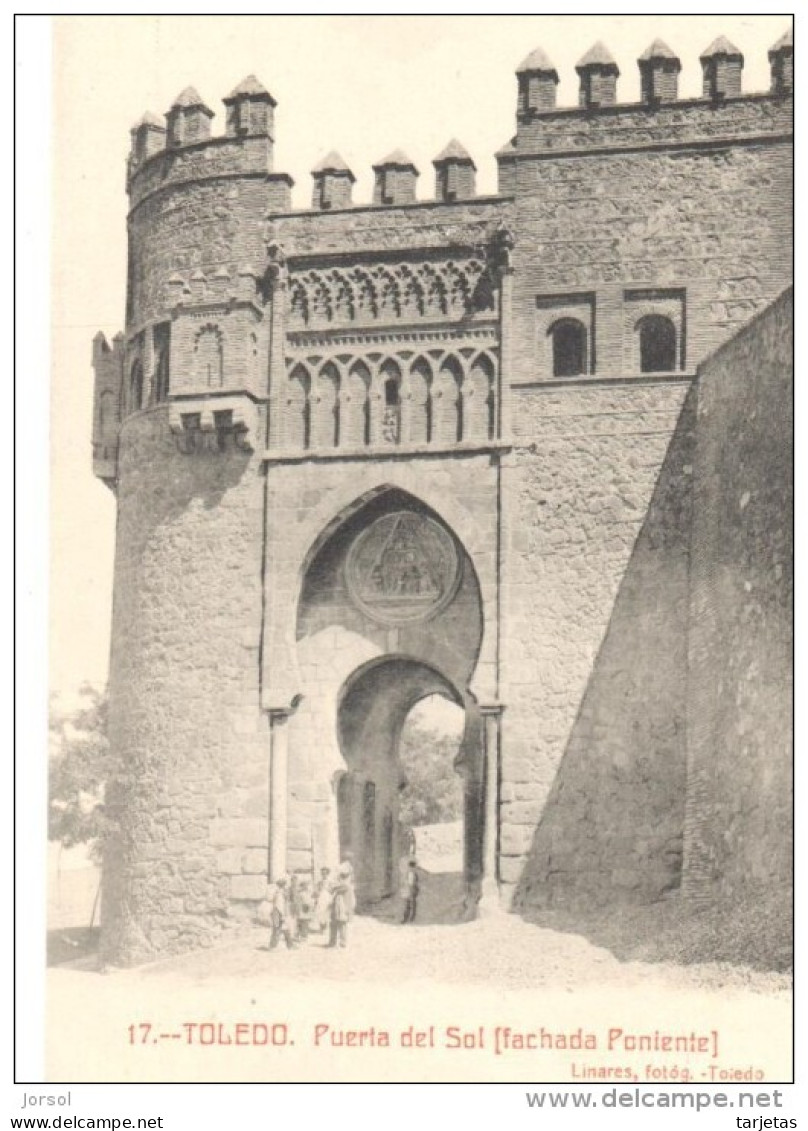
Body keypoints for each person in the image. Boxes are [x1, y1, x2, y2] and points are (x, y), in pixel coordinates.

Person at [328, 862, 355, 949]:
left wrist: (334, 886)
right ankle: (333, 942)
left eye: (342, 876)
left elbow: (333, 889)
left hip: (342, 907)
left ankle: (342, 942)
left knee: (342, 925)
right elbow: (331, 889)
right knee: (333, 924)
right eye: (341, 876)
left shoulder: (346, 885)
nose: (340, 878)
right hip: (336, 906)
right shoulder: (341, 885)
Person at [269, 876, 296, 950]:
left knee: (285, 929)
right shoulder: (278, 893)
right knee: (277, 928)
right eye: (283, 885)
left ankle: (289, 945)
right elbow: (279, 904)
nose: (284, 886)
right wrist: (283, 915)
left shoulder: (282, 892)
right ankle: (273, 946)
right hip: (278, 912)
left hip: (281, 912)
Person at [314, 867, 333, 934]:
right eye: (322, 873)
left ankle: (326, 928)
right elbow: (317, 891)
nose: (324, 875)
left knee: (327, 913)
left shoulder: (330, 882)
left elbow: (332, 891)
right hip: (321, 899)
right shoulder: (319, 882)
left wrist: (327, 889)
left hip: (327, 898)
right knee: (320, 913)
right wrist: (317, 896)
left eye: (325, 873)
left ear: (328, 874)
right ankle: (321, 928)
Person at [401, 859, 420, 924]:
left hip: (409, 890)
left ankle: (407, 918)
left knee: (408, 904)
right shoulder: (412, 873)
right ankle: (410, 918)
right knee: (411, 904)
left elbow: (409, 882)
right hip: (411, 890)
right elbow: (412, 883)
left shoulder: (409, 872)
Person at [296, 876, 313, 942]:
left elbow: (310, 901)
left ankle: (304, 936)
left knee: (305, 923)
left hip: (307, 909)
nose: (305, 887)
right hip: (301, 909)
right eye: (304, 885)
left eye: (306, 885)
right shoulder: (300, 893)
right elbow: (298, 901)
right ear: (302, 886)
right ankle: (299, 935)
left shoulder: (308, 893)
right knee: (300, 922)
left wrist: (310, 906)